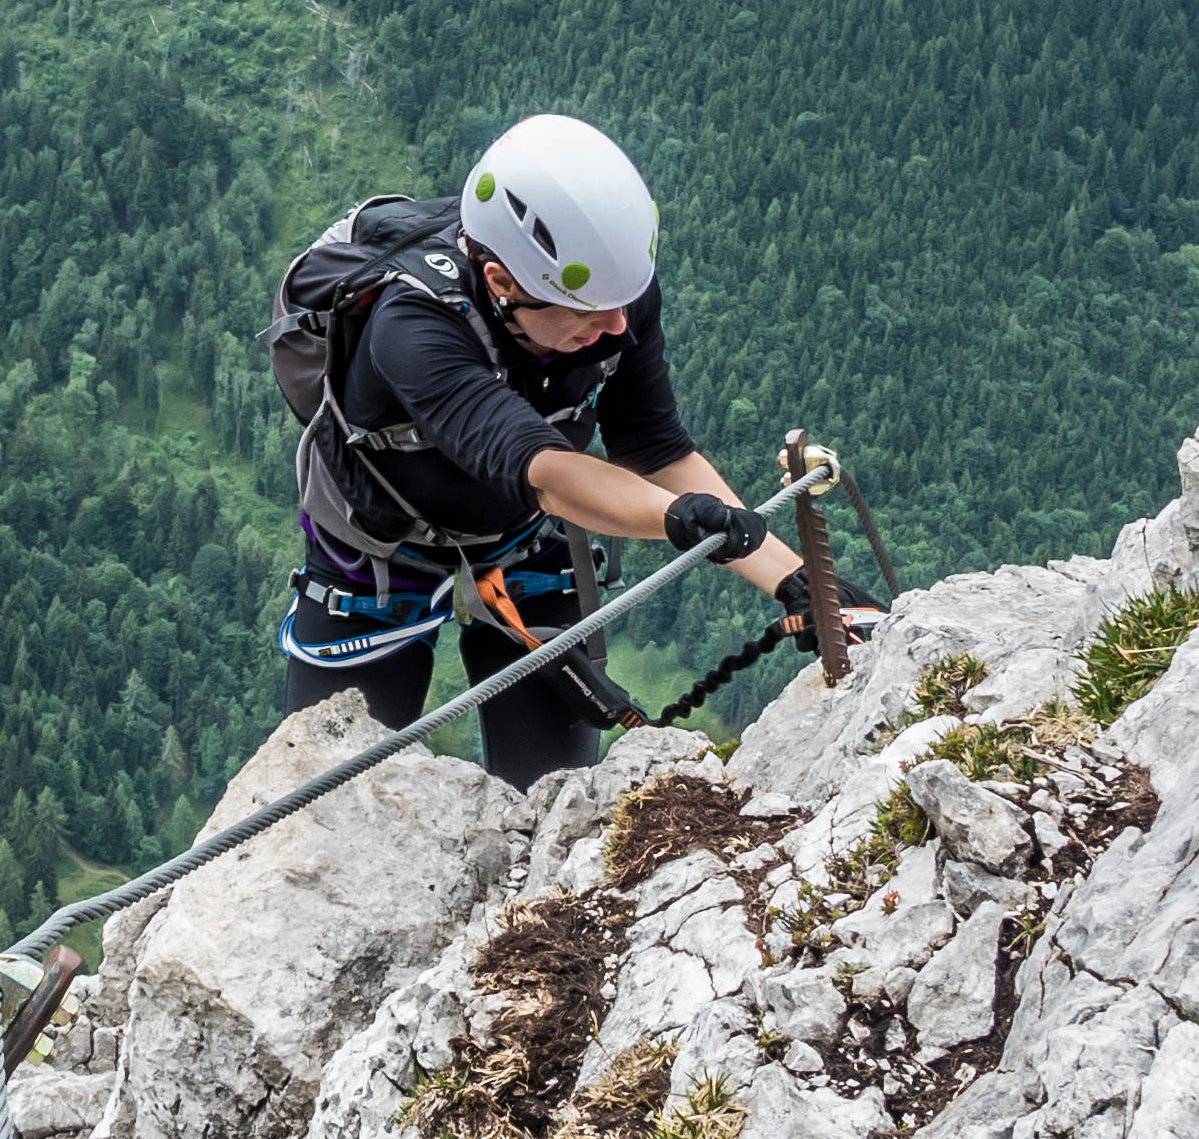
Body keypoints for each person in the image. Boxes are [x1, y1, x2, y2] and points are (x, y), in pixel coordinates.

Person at [279, 113, 859, 786]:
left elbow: (653, 444)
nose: (617, 326)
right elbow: (544, 470)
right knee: (332, 798)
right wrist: (674, 518)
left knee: (550, 790)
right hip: (375, 554)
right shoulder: (411, 325)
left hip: (523, 542)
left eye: (623, 304)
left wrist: (804, 587)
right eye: (586, 313)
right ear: (501, 282)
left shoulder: (610, 294)